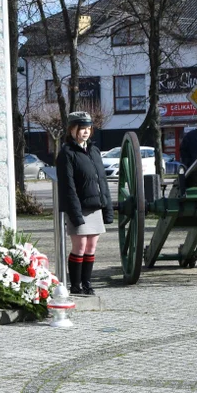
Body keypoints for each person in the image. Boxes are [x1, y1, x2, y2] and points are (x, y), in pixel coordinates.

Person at [56, 111, 113, 295]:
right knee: (79, 247)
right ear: (72, 130)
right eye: (81, 128)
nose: (85, 132)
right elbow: (68, 186)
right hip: (79, 207)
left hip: (95, 206)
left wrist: (107, 207)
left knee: (91, 247)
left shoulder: (94, 151)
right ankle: (75, 285)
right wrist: (75, 213)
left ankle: (87, 283)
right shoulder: (67, 153)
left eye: (88, 128)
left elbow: (102, 181)